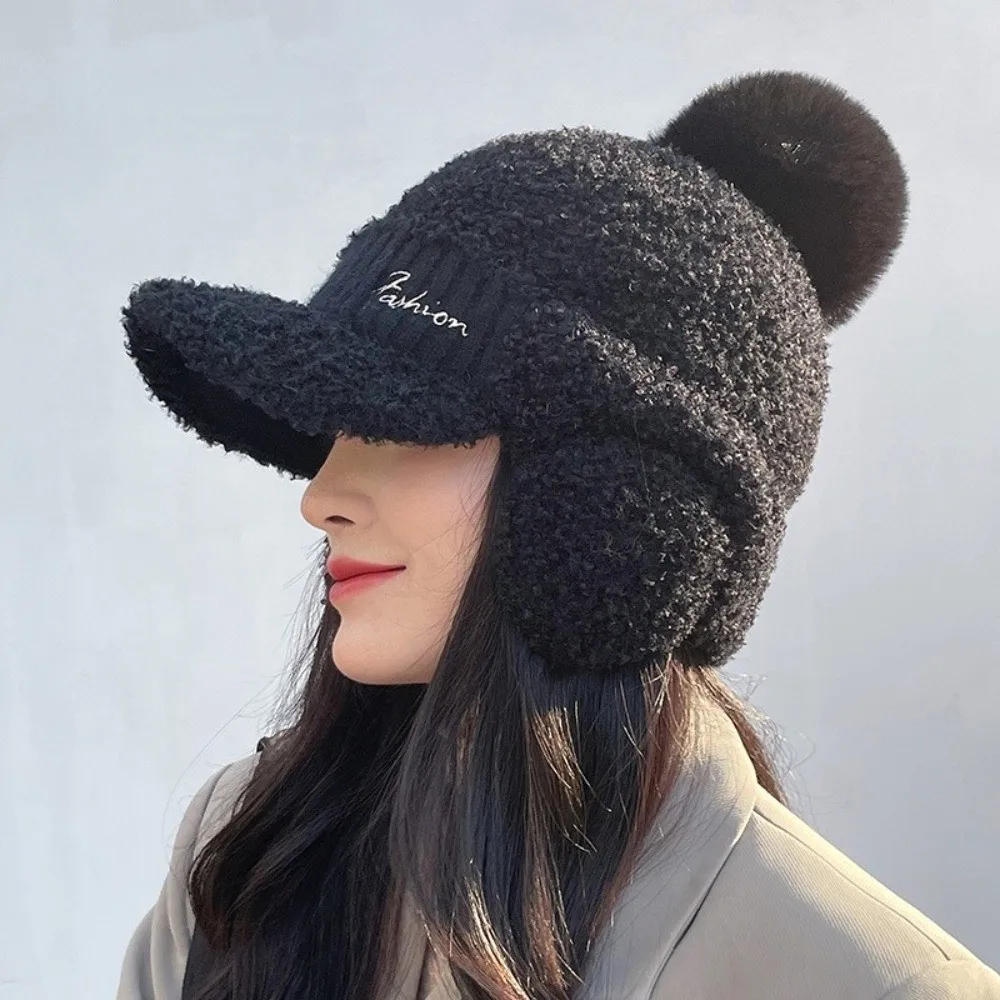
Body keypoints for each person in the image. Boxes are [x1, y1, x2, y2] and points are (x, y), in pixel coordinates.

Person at [113, 69, 1000, 1000]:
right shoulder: (242, 865)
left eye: (399, 425)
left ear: (615, 514)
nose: (320, 499)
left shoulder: (873, 983)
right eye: (339, 427)